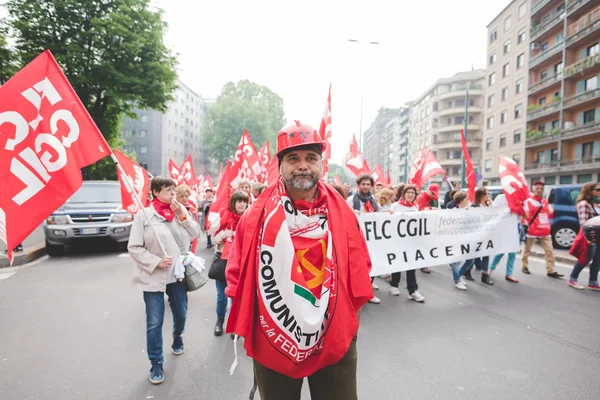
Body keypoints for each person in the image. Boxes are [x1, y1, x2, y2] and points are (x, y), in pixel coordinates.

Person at [225, 121, 373, 400]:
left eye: (311, 158)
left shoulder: (344, 214)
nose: (303, 166)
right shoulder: (254, 217)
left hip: (334, 333)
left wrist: (348, 320)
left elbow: (362, 266)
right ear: (280, 166)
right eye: (293, 159)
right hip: (274, 336)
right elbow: (236, 276)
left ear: (321, 164)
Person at [128, 176, 201, 385]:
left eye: (173, 189)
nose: (172, 193)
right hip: (152, 275)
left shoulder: (180, 212)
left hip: (177, 274)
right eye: (168, 190)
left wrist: (183, 215)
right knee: (154, 322)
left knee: (181, 312)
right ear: (155, 193)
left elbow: (196, 233)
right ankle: (156, 363)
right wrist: (156, 262)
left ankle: (178, 336)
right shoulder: (144, 215)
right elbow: (134, 247)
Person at [212, 190, 249, 336]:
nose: (241, 204)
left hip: (240, 264)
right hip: (223, 262)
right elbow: (213, 237)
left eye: (244, 201)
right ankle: (219, 321)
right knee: (222, 296)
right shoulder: (225, 218)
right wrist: (226, 234)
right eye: (238, 201)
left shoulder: (249, 219)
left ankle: (234, 326)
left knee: (236, 297)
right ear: (233, 203)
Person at [347, 173, 382, 304]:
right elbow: (343, 215)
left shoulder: (373, 200)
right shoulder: (351, 201)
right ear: (358, 185)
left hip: (371, 238)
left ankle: (368, 290)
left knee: (372, 262)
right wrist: (352, 213)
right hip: (356, 238)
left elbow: (377, 216)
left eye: (368, 184)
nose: (366, 186)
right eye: (363, 184)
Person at [389, 184, 425, 302]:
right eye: (408, 192)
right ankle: (394, 285)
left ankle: (412, 290)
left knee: (411, 266)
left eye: (412, 193)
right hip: (398, 241)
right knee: (397, 264)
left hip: (411, 242)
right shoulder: (396, 206)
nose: (410, 194)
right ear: (404, 194)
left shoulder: (415, 206)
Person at [522, 181, 563, 278]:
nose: (539, 190)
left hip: (545, 230)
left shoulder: (544, 201)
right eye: (537, 188)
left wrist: (550, 210)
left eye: (541, 189)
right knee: (527, 250)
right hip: (532, 230)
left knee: (550, 251)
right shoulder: (528, 201)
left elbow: (548, 212)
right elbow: (525, 216)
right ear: (533, 189)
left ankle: (551, 270)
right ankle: (524, 266)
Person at [567, 182, 600, 290]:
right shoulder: (584, 204)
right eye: (597, 190)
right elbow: (583, 222)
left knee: (598, 259)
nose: (599, 192)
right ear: (590, 191)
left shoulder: (596, 203)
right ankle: (573, 278)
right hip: (591, 234)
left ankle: (593, 281)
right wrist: (588, 237)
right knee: (585, 258)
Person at [488, 194, 519, 283]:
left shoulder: (518, 199)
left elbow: (522, 214)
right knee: (501, 250)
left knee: (512, 252)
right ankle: (490, 268)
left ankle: (509, 274)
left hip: (514, 228)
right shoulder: (500, 197)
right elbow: (493, 211)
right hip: (503, 228)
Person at [449, 191, 476, 290]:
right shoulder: (453, 212)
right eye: (466, 199)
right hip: (457, 240)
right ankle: (457, 281)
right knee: (456, 261)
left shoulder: (470, 210)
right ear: (461, 200)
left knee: (471, 260)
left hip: (468, 239)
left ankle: (458, 275)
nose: (468, 200)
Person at [467, 187, 493, 286]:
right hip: (477, 235)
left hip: (487, 234)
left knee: (486, 255)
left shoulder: (489, 205)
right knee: (474, 255)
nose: (488, 196)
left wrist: (491, 205)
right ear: (480, 195)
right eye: (486, 194)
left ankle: (485, 276)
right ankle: (467, 270)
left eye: (488, 194)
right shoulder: (474, 206)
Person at [415, 184, 440, 274]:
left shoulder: (435, 197)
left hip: (430, 224)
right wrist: (431, 208)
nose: (434, 195)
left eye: (435, 193)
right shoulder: (421, 197)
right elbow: (420, 211)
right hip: (421, 225)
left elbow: (437, 207)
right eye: (432, 193)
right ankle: (422, 264)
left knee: (427, 245)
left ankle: (423, 263)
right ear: (428, 190)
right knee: (422, 245)